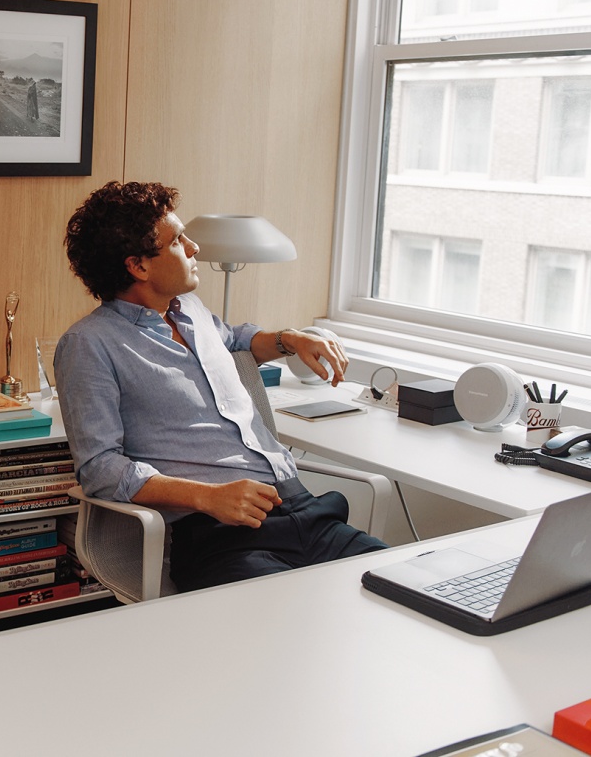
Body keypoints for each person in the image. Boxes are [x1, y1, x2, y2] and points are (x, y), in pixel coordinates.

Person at [55, 180, 386, 591]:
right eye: (178, 241)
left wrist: (291, 339)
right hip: (222, 536)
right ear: (138, 266)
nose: (195, 248)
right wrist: (207, 497)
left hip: (304, 508)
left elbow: (234, 338)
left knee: (405, 592)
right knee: (286, 626)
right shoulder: (89, 344)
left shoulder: (189, 309)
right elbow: (100, 469)